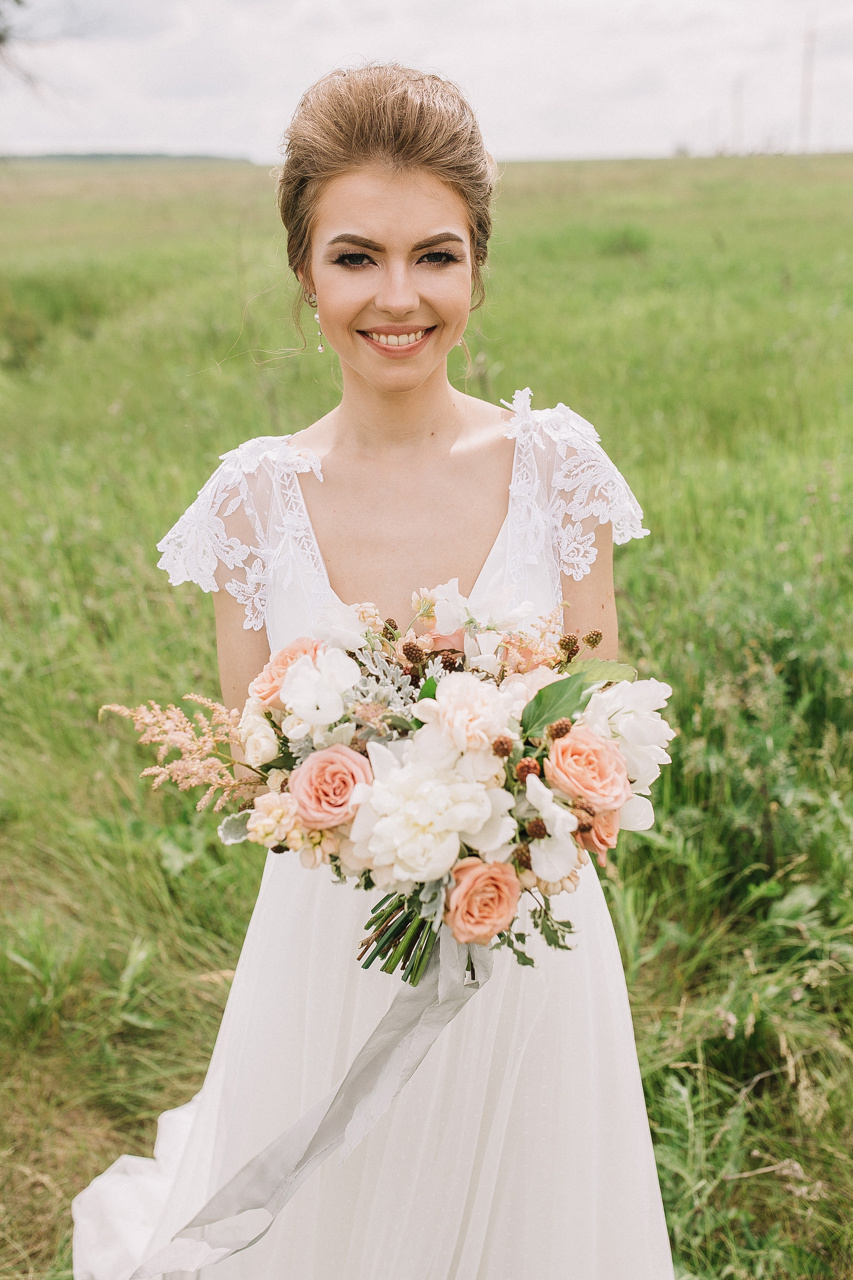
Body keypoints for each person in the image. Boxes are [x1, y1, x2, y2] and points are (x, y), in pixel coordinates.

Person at [72, 63, 674, 1280]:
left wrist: (518, 804)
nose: (397, 297)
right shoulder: (253, 500)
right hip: (331, 949)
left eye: (434, 255)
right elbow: (259, 761)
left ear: (477, 266)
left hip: (529, 950)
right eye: (356, 257)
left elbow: (593, 724)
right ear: (304, 270)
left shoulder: (557, 468)